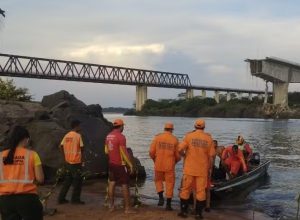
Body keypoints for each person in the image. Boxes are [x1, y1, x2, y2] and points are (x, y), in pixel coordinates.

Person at [0, 126, 44, 220]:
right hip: (28, 199)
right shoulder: (32, 155)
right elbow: (40, 179)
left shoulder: (1, 156)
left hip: (5, 200)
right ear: (26, 139)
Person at [178, 119, 215, 219]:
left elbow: (179, 149)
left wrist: (184, 155)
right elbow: (211, 157)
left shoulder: (189, 136)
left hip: (189, 169)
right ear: (204, 127)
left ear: (195, 126)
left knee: (185, 189)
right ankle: (198, 214)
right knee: (201, 192)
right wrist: (209, 169)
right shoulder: (209, 138)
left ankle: (183, 212)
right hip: (202, 170)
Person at [105, 119, 136, 214]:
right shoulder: (121, 137)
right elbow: (124, 153)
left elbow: (106, 151)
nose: (123, 128)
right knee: (125, 185)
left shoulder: (108, 136)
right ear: (121, 126)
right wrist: (130, 165)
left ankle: (111, 206)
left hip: (111, 163)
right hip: (119, 165)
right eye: (123, 126)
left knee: (112, 183)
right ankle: (127, 209)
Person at [149, 122, 180, 211]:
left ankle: (161, 197)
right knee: (170, 184)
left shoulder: (157, 137)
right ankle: (168, 205)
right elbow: (178, 156)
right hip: (169, 165)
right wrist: (174, 162)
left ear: (164, 129)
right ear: (171, 130)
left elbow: (151, 152)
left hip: (158, 164)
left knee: (158, 180)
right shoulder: (175, 139)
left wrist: (154, 160)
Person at [58, 120, 85, 204]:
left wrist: (64, 157)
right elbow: (82, 148)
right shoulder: (78, 136)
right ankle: (75, 200)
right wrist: (83, 160)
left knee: (68, 180)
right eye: (79, 126)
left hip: (68, 162)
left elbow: (60, 146)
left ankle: (61, 198)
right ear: (76, 126)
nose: (80, 128)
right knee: (78, 181)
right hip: (76, 162)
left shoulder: (66, 135)